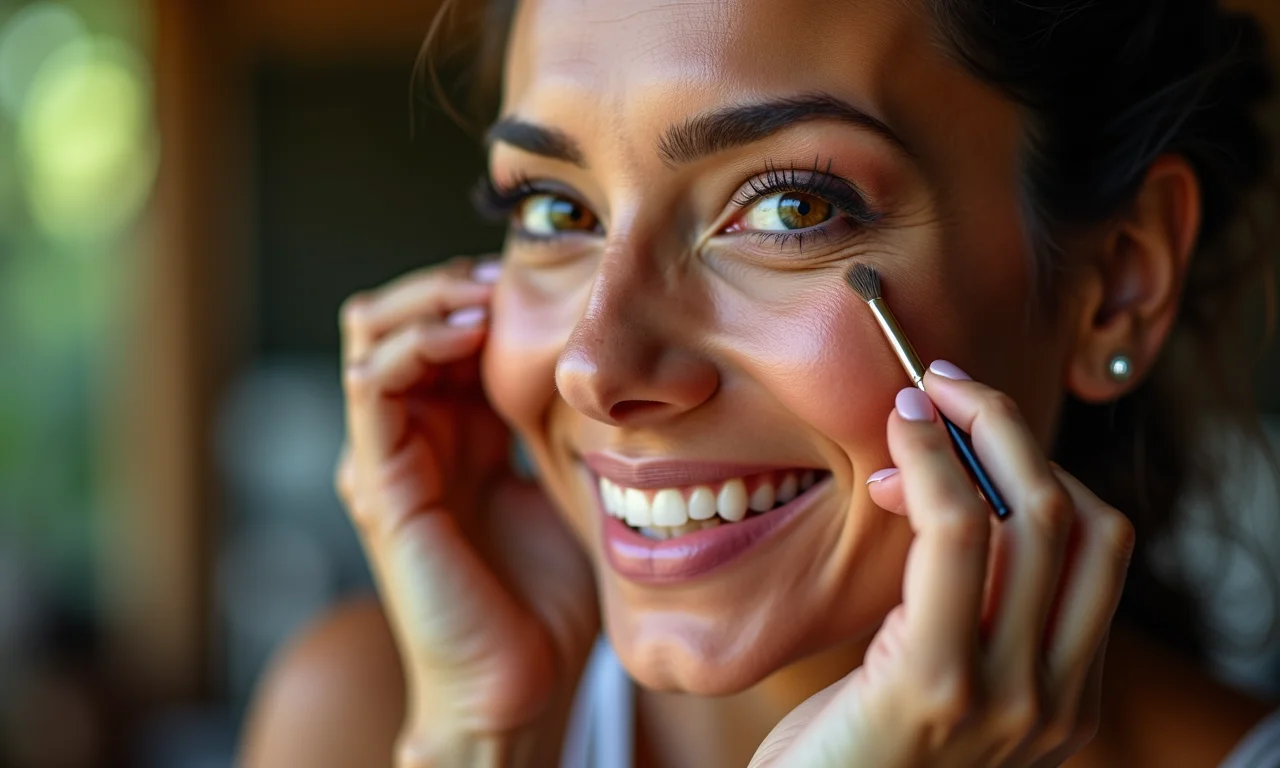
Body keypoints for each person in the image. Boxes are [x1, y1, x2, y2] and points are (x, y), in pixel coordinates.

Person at [238, 1, 1280, 765]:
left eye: (789, 208)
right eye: (555, 211)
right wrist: (474, 747)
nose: (594, 368)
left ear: (1117, 280)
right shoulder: (365, 721)